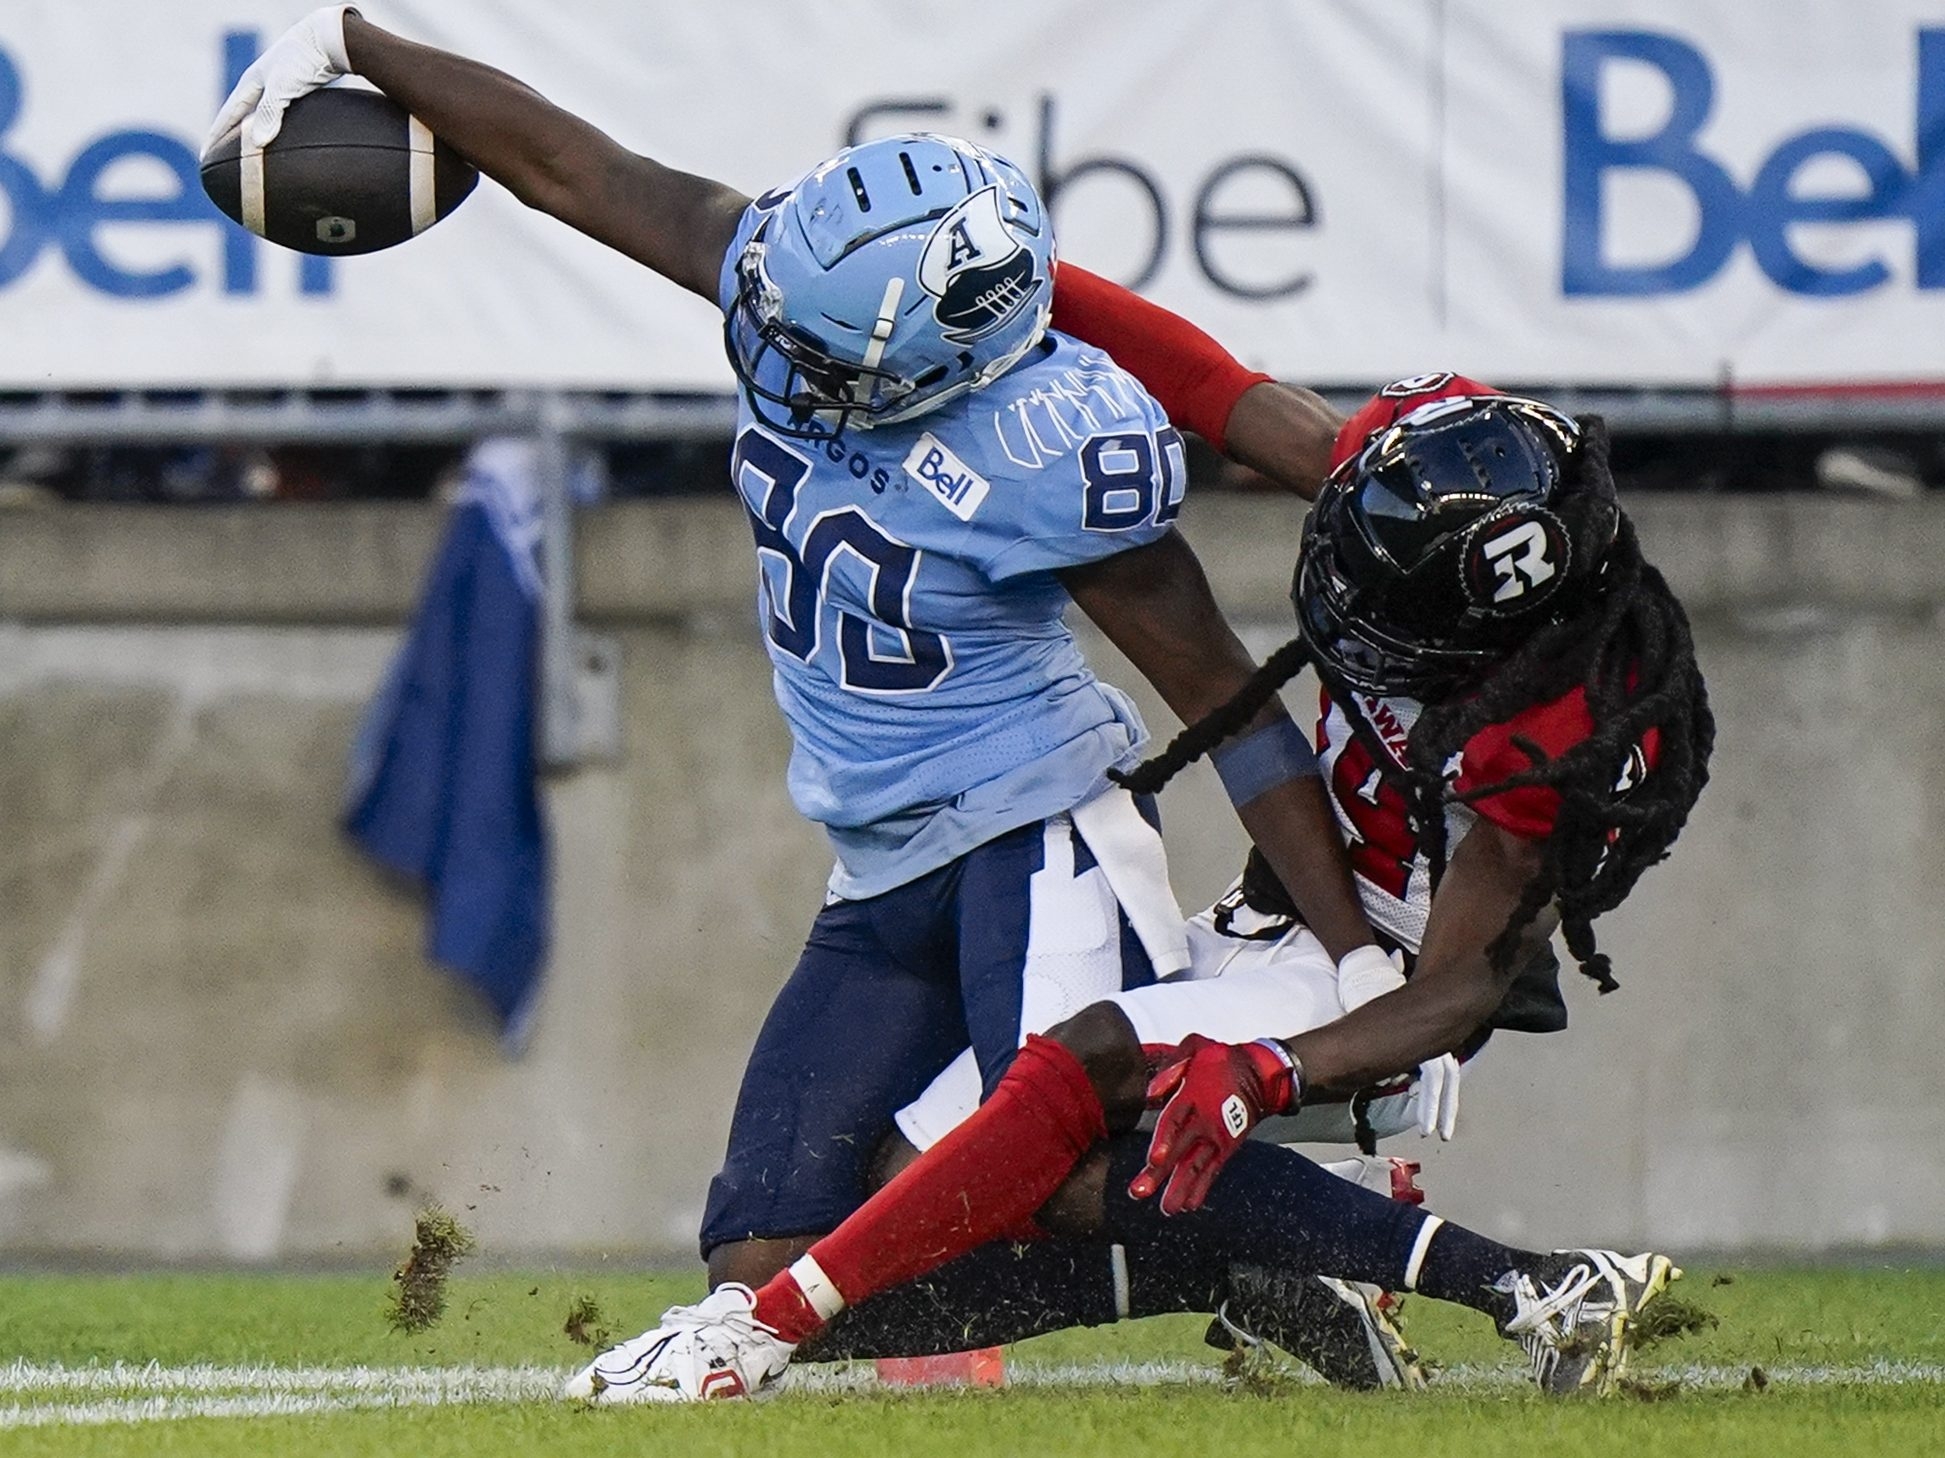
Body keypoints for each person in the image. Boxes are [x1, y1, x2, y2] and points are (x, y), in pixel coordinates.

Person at [209, 0, 1401, 1374]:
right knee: (768, 1262)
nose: (773, 353)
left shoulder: (1048, 447)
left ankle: (1318, 1254)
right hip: (881, 860)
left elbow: (1231, 700)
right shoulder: (797, 283)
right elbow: (572, 167)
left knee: (1001, 1185)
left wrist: (1356, 952)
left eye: (817, 349)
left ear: (946, 359)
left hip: (1039, 838)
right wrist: (356, 41)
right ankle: (1227, 1260)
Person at [557, 282, 1714, 1402]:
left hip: (1393, 984)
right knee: (899, 1208)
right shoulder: (1416, 474)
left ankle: (1528, 1284)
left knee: (1082, 1062)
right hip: (1277, 924)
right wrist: (979, 289)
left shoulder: (1563, 723)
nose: (1350, 602)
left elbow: (1459, 993)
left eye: (1391, 608)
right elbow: (1206, 379)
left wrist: (1278, 1070)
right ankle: (1260, 1259)